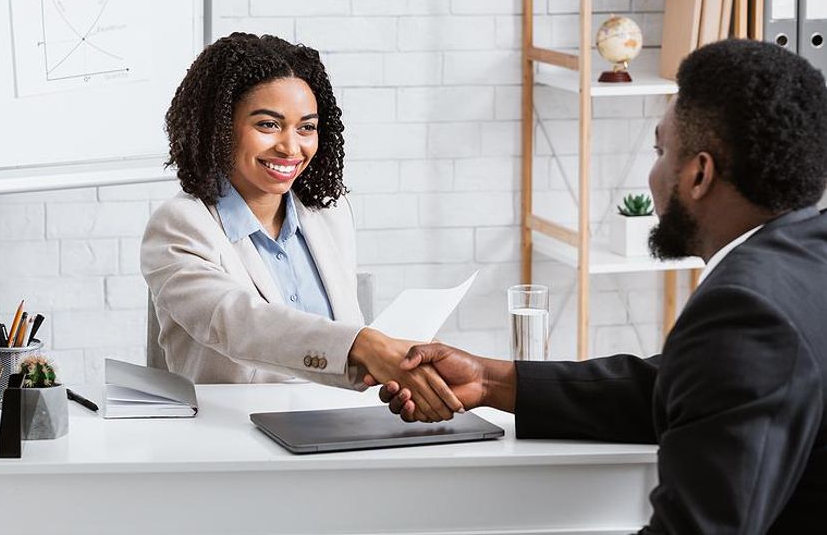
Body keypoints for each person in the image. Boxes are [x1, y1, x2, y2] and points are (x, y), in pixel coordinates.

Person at [371, 39, 827, 534]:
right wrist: (491, 380)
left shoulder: (746, 309)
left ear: (698, 174)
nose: (651, 174)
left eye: (660, 151)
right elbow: (691, 389)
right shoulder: (807, 260)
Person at [141, 32, 461, 421]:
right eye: (268, 125)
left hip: (340, 426)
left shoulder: (329, 213)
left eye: (306, 127)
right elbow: (238, 322)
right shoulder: (180, 226)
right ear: (219, 128)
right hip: (233, 443)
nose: (292, 148)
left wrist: (401, 365)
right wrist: (363, 345)